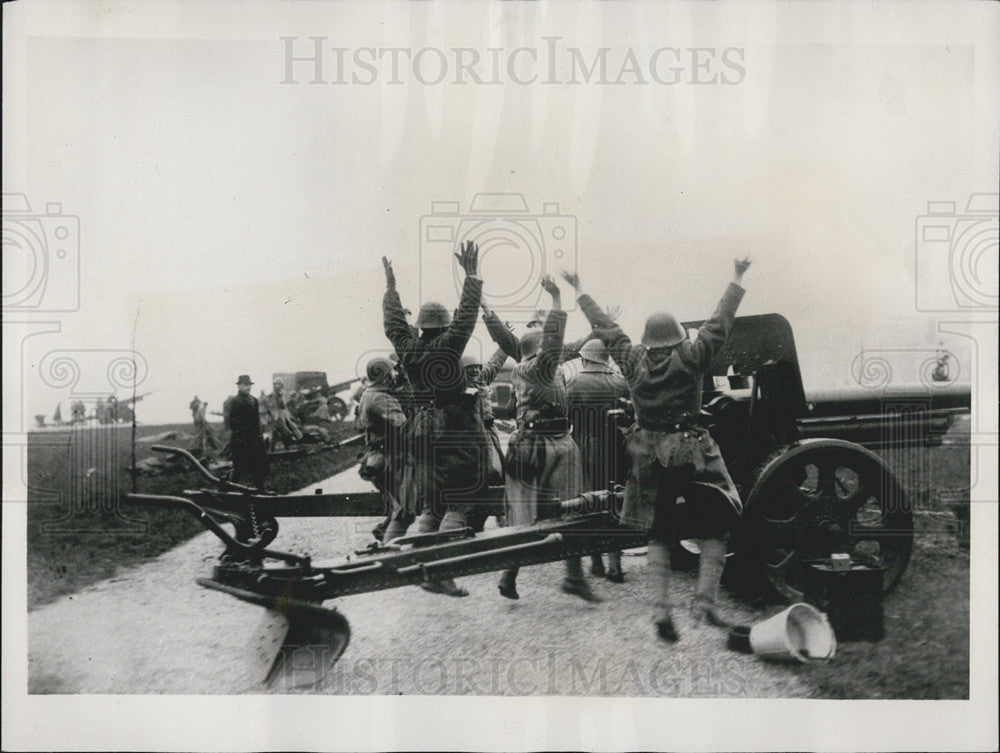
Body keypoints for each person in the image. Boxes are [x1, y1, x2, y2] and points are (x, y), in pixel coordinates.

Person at [565, 259, 751, 641]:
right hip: (692, 452)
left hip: (647, 453)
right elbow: (720, 322)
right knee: (716, 528)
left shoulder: (631, 361)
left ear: (647, 340)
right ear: (678, 337)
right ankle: (704, 603)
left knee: (659, 533)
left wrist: (579, 287)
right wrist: (736, 276)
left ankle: (660, 612)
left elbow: (608, 328)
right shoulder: (692, 356)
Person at [381, 241, 489, 597]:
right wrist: (471, 275)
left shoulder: (408, 349)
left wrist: (391, 290)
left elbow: (394, 326)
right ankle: (440, 572)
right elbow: (467, 317)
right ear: (443, 326)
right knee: (459, 501)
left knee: (432, 503)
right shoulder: (448, 347)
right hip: (456, 431)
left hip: (422, 430)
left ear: (421, 326)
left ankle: (420, 566)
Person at [498, 275, 599, 603]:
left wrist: (598, 331)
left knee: (569, 511)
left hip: (555, 441)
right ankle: (510, 574)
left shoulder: (547, 368)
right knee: (528, 517)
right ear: (534, 353)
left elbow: (568, 347)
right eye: (545, 348)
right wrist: (556, 300)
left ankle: (573, 576)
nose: (552, 353)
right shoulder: (532, 369)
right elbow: (557, 345)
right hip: (538, 446)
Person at [566, 338, 630, 583]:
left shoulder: (572, 382)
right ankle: (616, 566)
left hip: (583, 446)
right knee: (615, 500)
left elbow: (565, 417)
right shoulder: (619, 381)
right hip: (615, 446)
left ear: (584, 358)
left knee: (588, 502)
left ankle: (596, 562)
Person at [356, 357, 411, 543]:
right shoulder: (381, 399)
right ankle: (389, 553)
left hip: (378, 457)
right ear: (384, 375)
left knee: (402, 508)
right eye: (392, 371)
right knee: (405, 512)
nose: (396, 375)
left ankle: (383, 531)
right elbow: (403, 426)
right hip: (389, 460)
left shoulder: (368, 393)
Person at [228, 374, 268, 490]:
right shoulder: (235, 401)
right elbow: (233, 423)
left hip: (255, 439)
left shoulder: (254, 400)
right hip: (242, 440)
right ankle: (228, 491)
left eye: (249, 385)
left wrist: (260, 434)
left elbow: (257, 420)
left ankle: (260, 490)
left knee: (259, 466)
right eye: (245, 385)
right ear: (239, 386)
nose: (248, 387)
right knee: (239, 468)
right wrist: (241, 437)